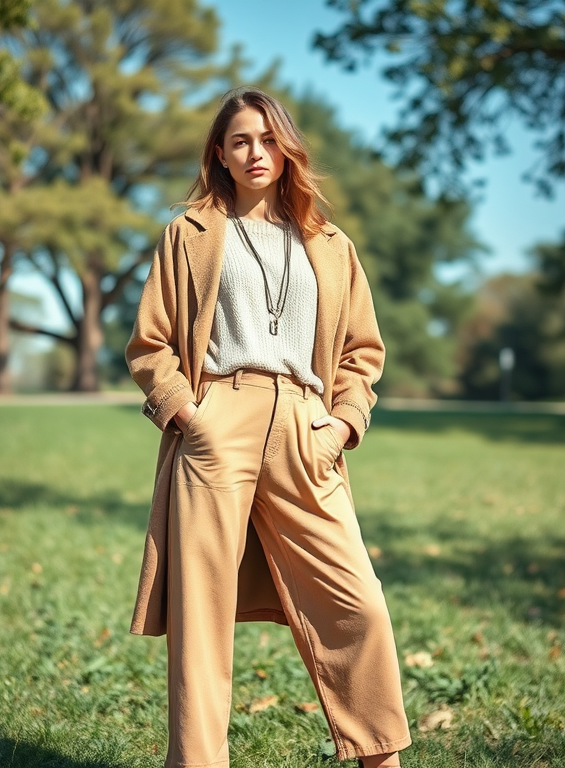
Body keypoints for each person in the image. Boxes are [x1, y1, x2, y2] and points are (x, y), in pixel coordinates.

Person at [125, 86, 411, 768]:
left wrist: (343, 424)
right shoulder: (189, 234)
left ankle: (380, 756)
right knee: (200, 617)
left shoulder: (330, 245)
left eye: (267, 139)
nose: (256, 152)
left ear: (287, 148)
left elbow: (362, 354)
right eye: (240, 141)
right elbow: (150, 344)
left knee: (359, 603)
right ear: (219, 156)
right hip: (218, 420)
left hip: (306, 425)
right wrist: (188, 415)